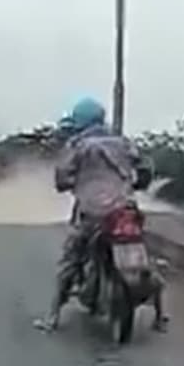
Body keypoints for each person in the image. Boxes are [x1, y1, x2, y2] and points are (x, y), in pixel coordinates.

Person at [38, 97, 167, 332]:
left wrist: (68, 183)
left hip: (92, 212)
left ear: (80, 121)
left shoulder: (78, 146)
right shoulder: (123, 143)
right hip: (125, 209)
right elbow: (145, 169)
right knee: (144, 257)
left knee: (71, 260)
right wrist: (135, 184)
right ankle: (160, 316)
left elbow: (63, 176)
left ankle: (53, 316)